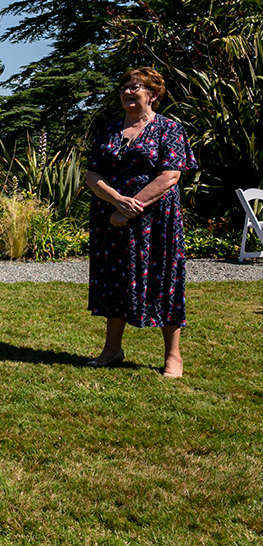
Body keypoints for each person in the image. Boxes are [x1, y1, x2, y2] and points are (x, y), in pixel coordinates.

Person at [84, 67, 197, 378]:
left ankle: (173, 356)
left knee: (164, 281)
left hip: (155, 220)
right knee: (115, 281)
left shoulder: (168, 129)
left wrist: (131, 207)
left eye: (136, 87)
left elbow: (170, 175)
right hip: (111, 217)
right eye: (124, 87)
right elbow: (92, 173)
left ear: (153, 95)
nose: (128, 92)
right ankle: (112, 350)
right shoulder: (108, 130)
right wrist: (116, 200)